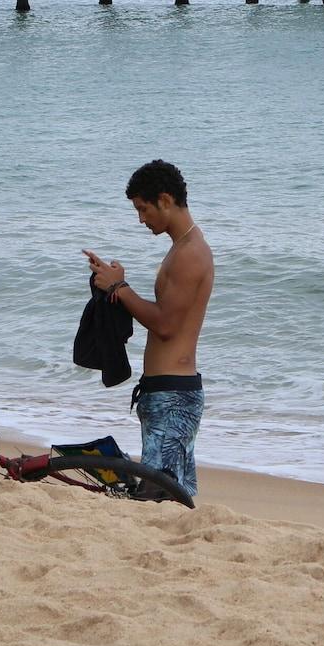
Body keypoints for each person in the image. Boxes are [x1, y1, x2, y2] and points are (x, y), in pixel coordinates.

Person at [83, 159, 215, 501]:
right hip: (167, 391)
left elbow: (166, 325)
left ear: (165, 200)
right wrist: (116, 285)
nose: (141, 219)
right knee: (169, 495)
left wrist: (120, 287)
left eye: (143, 209)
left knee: (157, 495)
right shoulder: (184, 249)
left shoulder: (189, 254)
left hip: (173, 396)